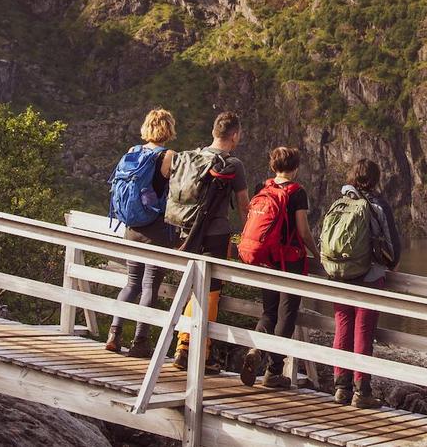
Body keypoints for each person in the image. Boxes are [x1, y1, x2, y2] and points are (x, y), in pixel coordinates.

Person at [166, 111, 250, 372]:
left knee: (193, 289)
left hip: (186, 229)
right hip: (214, 233)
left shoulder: (191, 157)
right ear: (234, 135)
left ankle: (182, 346)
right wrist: (248, 237)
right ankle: (200, 351)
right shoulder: (232, 164)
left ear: (214, 132)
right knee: (211, 292)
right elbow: (245, 206)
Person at [323, 158, 401, 408]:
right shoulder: (377, 205)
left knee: (342, 327)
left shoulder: (340, 203)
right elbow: (392, 246)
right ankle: (361, 391)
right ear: (376, 179)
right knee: (363, 331)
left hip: (339, 274)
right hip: (368, 276)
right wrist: (390, 264)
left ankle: (340, 388)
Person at [238, 147, 317, 388]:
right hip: (289, 261)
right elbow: (302, 231)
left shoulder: (263, 187)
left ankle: (255, 349)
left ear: (274, 166)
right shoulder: (297, 193)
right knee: (286, 314)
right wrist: (317, 255)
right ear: (295, 168)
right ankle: (274, 372)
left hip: (266, 259)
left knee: (268, 312)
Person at [106, 108, 177, 355]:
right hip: (156, 230)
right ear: (168, 129)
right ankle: (140, 342)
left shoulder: (132, 152)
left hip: (132, 227)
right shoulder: (169, 156)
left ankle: (114, 334)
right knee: (149, 287)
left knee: (132, 283)